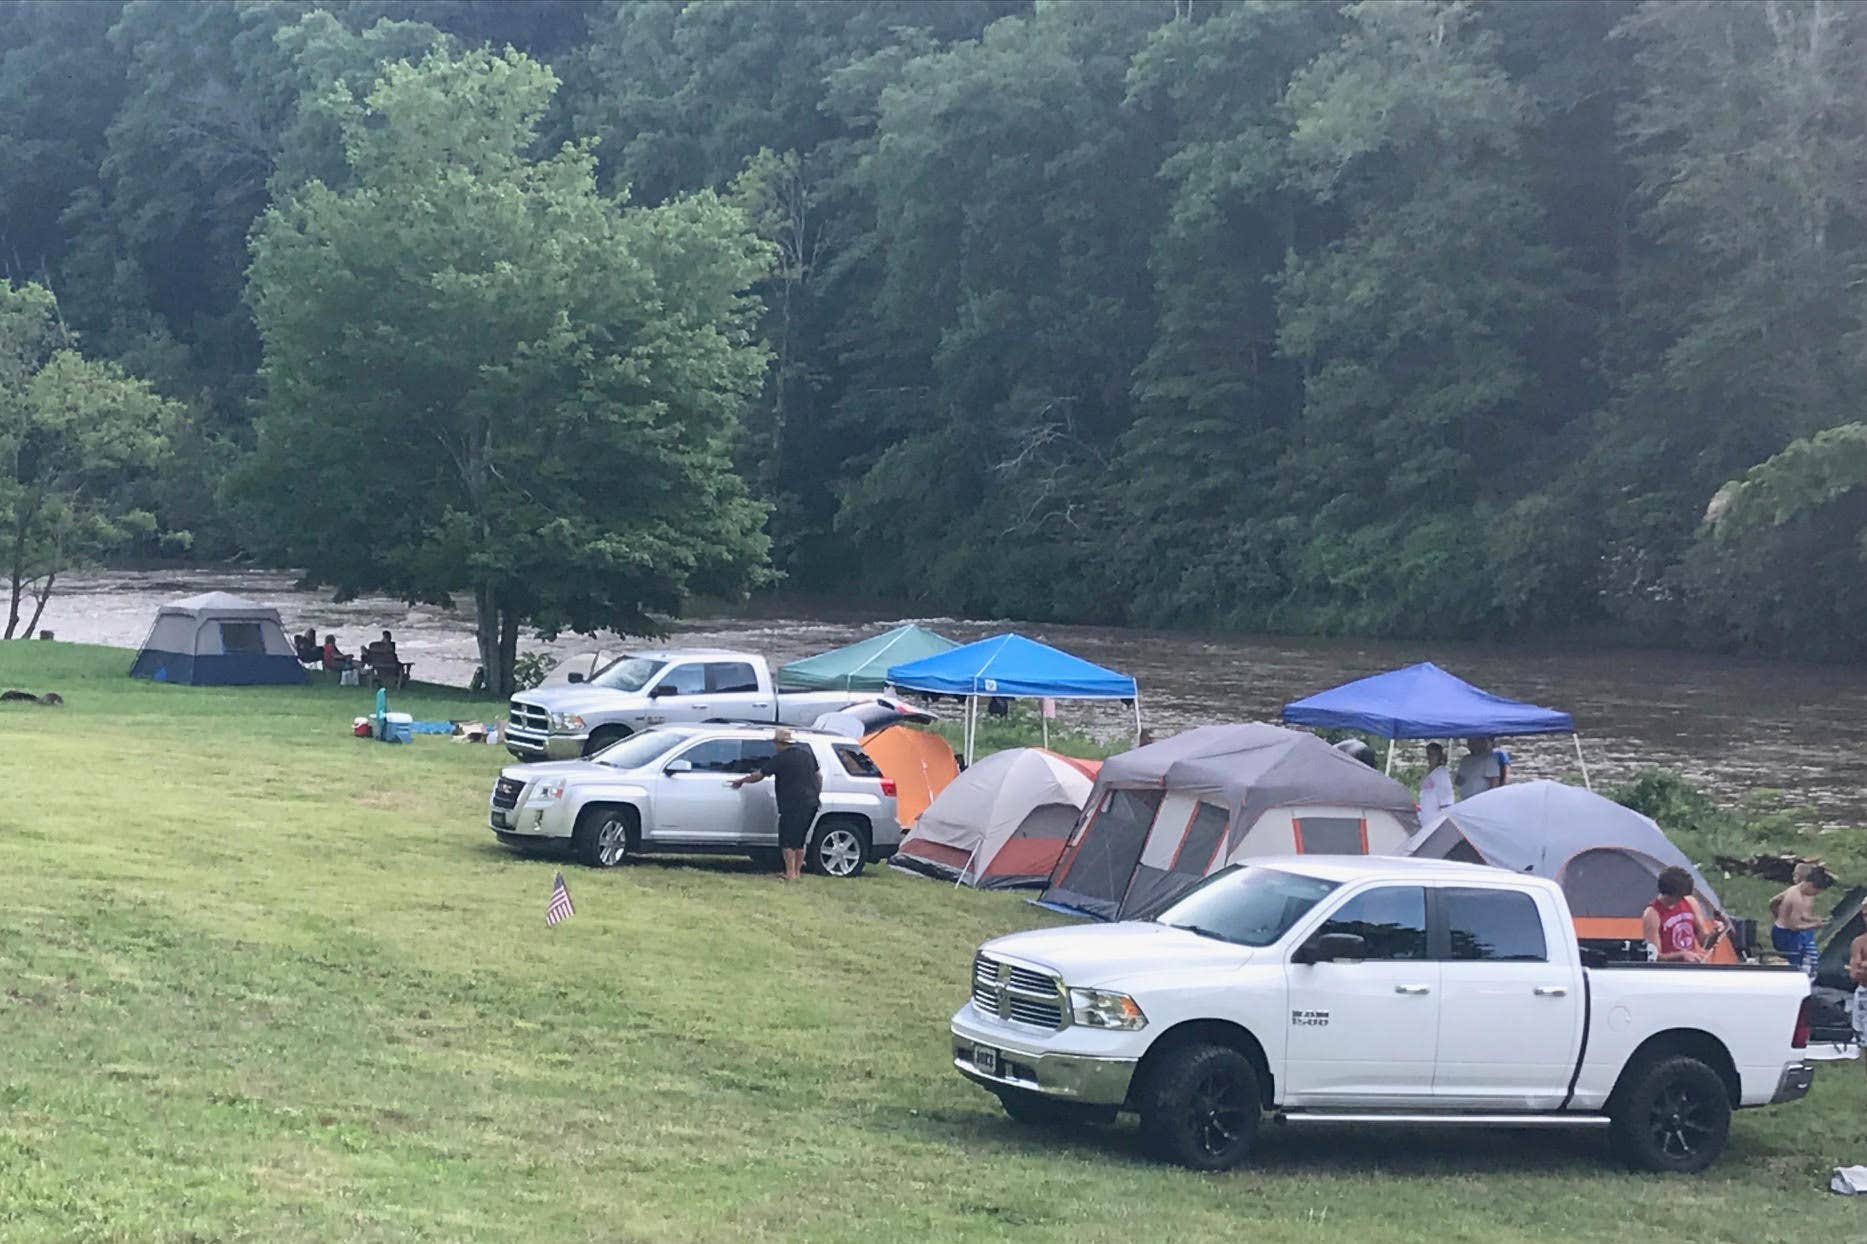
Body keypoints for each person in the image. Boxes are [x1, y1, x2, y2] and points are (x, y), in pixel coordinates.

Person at [730, 727, 821, 882]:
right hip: (811, 802)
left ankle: (790, 873)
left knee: (787, 839)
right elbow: (818, 776)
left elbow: (759, 775)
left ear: (779, 743)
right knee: (800, 839)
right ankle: (797, 873)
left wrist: (742, 781)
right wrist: (816, 793)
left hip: (792, 804)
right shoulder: (806, 755)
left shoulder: (781, 759)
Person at [1643, 866, 1725, 963]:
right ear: (1668, 893)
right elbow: (1654, 957)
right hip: (1668, 972)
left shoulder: (1690, 902)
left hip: (1690, 968)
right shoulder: (1652, 914)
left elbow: (1704, 943)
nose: (1681, 899)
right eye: (1679, 896)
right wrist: (1681, 955)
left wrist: (1716, 933)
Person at [1767, 864, 1832, 977]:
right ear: (1810, 885)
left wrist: (1815, 919)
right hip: (1786, 934)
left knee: (1803, 959)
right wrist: (1814, 925)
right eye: (1816, 891)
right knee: (1795, 964)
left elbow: (1774, 901)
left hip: (1784, 929)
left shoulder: (1793, 889)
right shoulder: (1796, 898)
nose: (1816, 895)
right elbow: (1795, 926)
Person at [1846, 899, 1867, 1083]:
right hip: (1863, 995)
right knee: (1863, 1043)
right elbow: (1854, 973)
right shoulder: (1859, 942)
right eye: (1865, 915)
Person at [1454, 737, 1504, 801]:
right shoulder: (1465, 759)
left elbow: (1494, 781)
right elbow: (1459, 780)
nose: (1470, 744)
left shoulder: (1490, 759)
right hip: (1464, 799)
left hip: (1480, 800)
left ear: (1483, 743)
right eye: (1469, 741)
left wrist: (1490, 799)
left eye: (1473, 741)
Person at [1418, 743, 1454, 826]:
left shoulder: (1442, 774)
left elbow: (1446, 801)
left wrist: (1445, 821)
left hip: (1435, 821)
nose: (1430, 757)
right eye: (1428, 754)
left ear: (1439, 756)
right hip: (1426, 819)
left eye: (1433, 754)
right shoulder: (1430, 773)